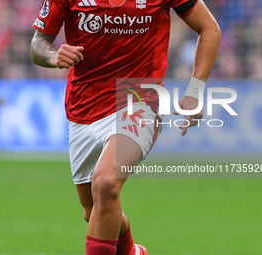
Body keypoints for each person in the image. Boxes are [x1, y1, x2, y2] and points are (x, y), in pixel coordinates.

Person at [30, 0, 221, 254]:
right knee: (94, 211)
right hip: (84, 107)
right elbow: (37, 43)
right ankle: (132, 252)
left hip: (139, 98)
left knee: (106, 184)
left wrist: (195, 92)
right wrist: (54, 55)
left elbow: (209, 28)